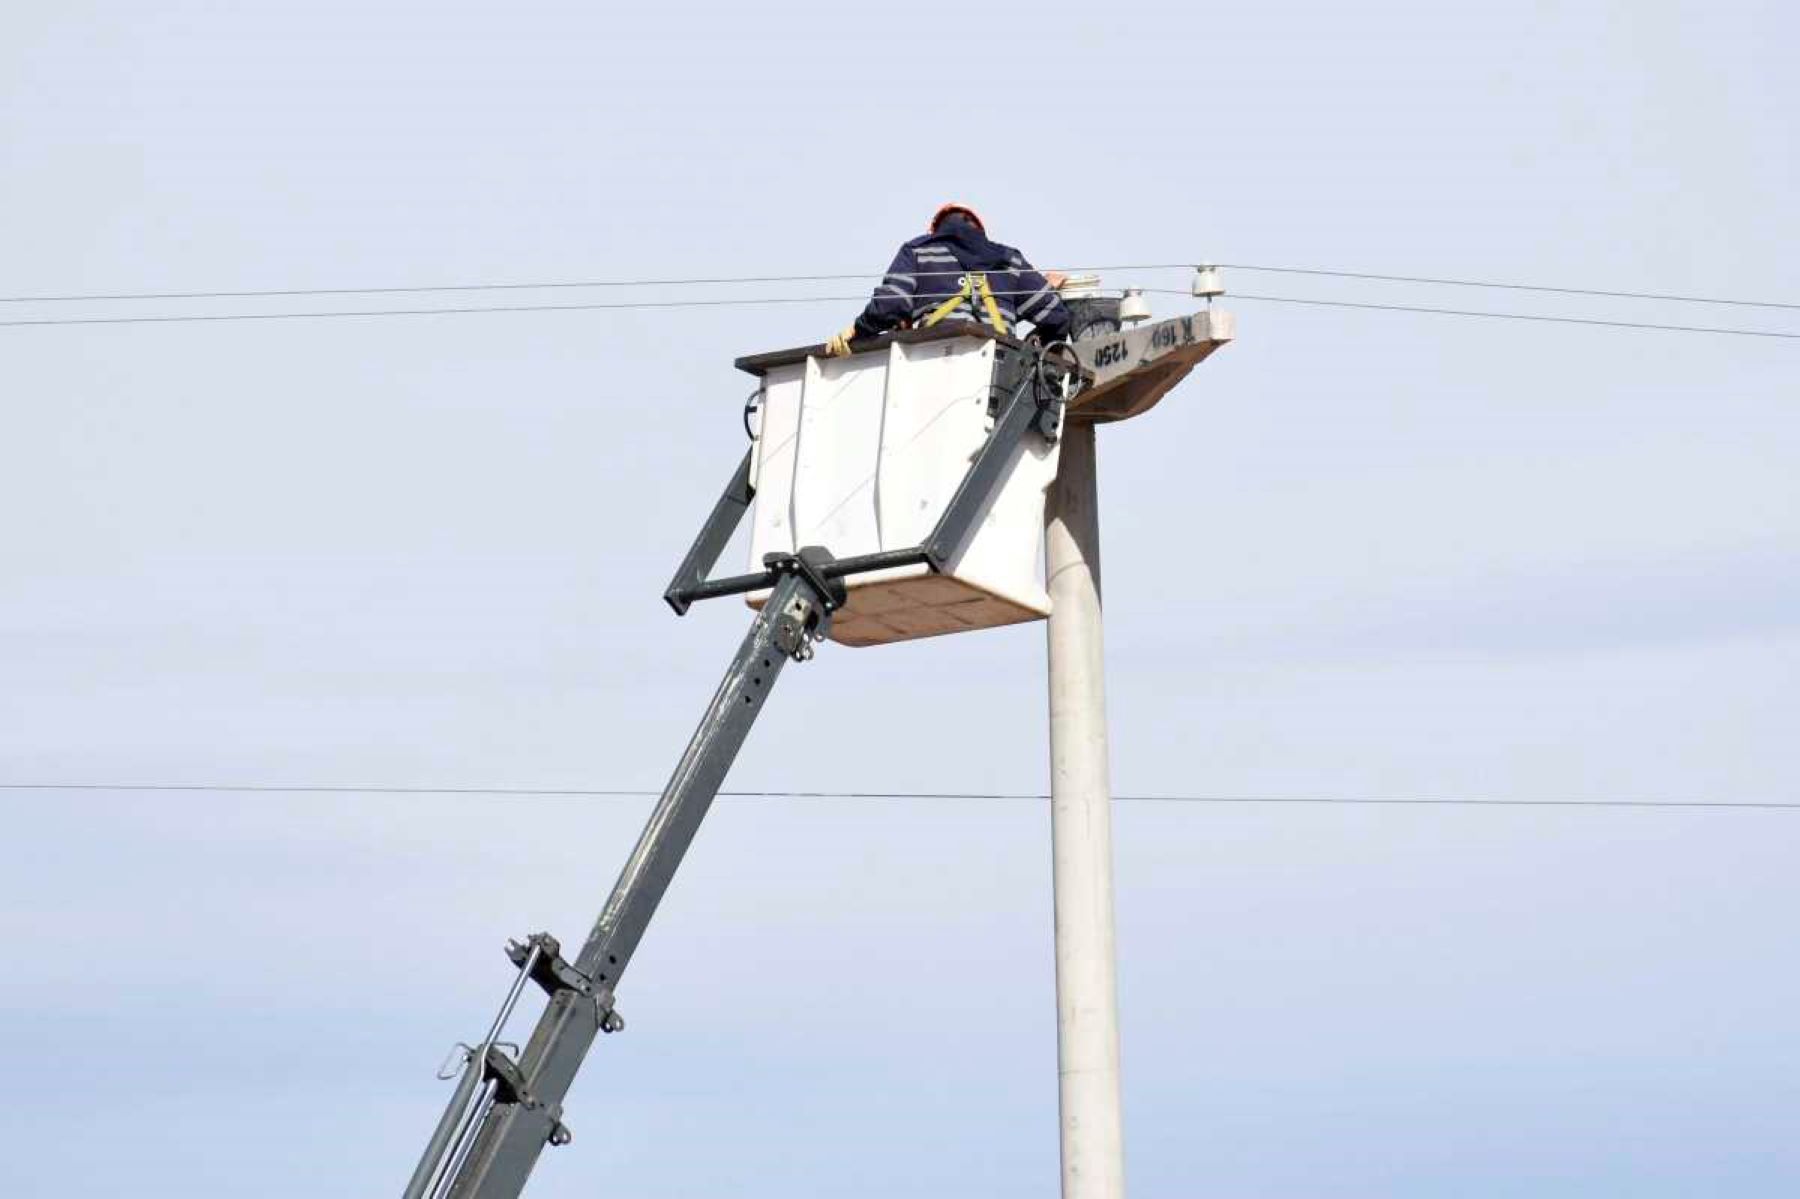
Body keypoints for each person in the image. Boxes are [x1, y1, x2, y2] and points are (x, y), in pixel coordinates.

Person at [825, 203, 1071, 355]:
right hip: (1002, 372)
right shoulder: (1010, 260)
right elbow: (1057, 317)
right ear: (980, 232)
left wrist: (858, 329)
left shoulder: (918, 251)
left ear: (934, 232)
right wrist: (1034, 347)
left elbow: (892, 303)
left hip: (934, 362)